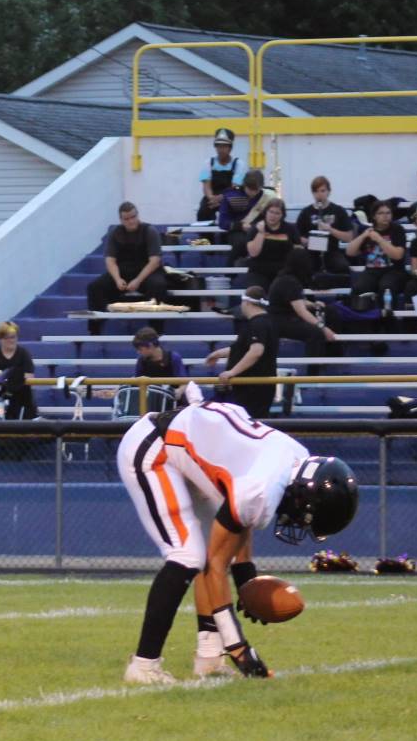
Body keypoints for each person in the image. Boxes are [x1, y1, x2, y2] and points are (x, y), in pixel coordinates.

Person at [116, 395, 356, 684]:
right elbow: (217, 563)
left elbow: (240, 522)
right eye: (304, 517)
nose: (296, 521)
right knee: (188, 555)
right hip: (154, 447)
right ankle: (144, 665)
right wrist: (239, 647)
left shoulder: (292, 461)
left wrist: (246, 578)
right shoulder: (261, 488)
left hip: (189, 450)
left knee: (205, 554)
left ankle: (208, 659)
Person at [202, 287, 279, 418]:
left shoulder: (259, 323)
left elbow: (256, 351)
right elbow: (242, 349)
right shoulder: (263, 322)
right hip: (252, 387)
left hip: (254, 388)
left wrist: (232, 372)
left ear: (247, 303)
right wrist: (217, 354)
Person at [85, 201, 168, 316]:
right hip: (124, 272)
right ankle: (96, 329)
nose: (131, 221)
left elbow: (154, 261)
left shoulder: (150, 231)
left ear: (138, 215)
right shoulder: (115, 233)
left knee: (158, 285)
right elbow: (110, 260)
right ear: (121, 219)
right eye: (126, 219)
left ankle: (156, 328)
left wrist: (138, 280)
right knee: (95, 287)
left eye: (133, 217)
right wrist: (117, 279)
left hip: (147, 273)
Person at [267, 252, 338, 358]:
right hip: (280, 321)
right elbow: (301, 311)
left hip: (288, 317)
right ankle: (313, 371)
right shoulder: (289, 281)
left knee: (329, 311)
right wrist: (322, 328)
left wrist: (314, 305)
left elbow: (297, 300)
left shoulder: (290, 279)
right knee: (315, 333)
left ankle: (332, 354)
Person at [346, 199, 408, 313]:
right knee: (358, 287)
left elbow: (398, 255)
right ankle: (362, 321)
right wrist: (363, 236)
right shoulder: (368, 231)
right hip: (372, 271)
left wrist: (379, 239)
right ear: (374, 216)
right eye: (381, 213)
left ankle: (387, 321)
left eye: (388, 213)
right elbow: (350, 252)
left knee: (386, 287)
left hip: (394, 270)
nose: (385, 216)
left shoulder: (397, 230)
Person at [295, 176, 354, 286]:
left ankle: (341, 297)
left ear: (329, 192)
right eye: (316, 191)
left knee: (343, 267)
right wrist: (307, 241)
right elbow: (297, 236)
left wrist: (330, 230)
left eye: (323, 191)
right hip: (311, 252)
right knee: (301, 267)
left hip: (332, 251)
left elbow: (349, 237)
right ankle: (309, 297)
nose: (319, 195)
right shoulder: (306, 212)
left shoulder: (338, 210)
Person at [0, 321, 39, 420]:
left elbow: (29, 380)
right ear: (0, 339)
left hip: (21, 396)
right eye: (7, 338)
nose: (11, 340)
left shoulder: (24, 354)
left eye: (13, 337)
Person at [243, 196, 297, 288]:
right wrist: (261, 233)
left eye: (277, 213)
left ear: (282, 215)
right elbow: (253, 253)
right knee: (256, 289)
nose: (273, 216)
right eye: (271, 212)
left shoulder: (290, 229)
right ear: (266, 212)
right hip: (258, 270)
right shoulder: (256, 228)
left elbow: (297, 251)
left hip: (282, 271)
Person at [196, 128, 244, 222]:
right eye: (218, 146)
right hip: (212, 197)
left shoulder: (239, 164)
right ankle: (206, 236)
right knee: (203, 212)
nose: (220, 149)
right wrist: (211, 198)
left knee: (230, 214)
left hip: (230, 196)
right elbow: (206, 185)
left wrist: (222, 198)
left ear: (230, 148)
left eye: (224, 146)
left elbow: (235, 186)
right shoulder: (208, 163)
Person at [216, 169, 268, 236]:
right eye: (250, 189)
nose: (253, 193)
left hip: (260, 232)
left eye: (256, 190)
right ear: (244, 185)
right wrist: (240, 226)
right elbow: (222, 223)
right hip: (237, 232)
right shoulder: (230, 196)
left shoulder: (265, 196)